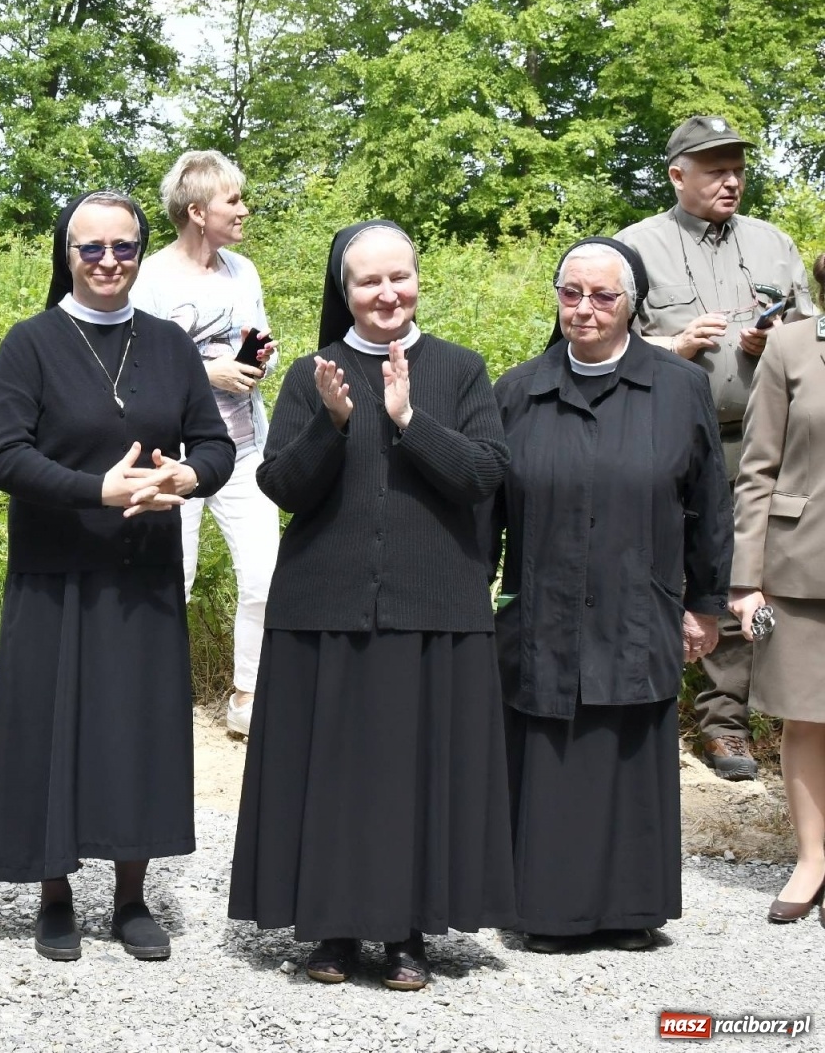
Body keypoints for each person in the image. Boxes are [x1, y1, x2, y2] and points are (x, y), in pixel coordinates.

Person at [229, 221, 515, 991]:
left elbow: (486, 473)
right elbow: (281, 487)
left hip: (433, 611)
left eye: (400, 277)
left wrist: (410, 422)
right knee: (333, 776)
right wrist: (335, 422)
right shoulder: (311, 375)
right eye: (368, 282)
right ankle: (329, 930)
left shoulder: (459, 369)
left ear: (418, 278)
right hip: (325, 609)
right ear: (344, 291)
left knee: (413, 780)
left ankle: (408, 935)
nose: (387, 294)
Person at [0, 190, 235, 963]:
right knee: (54, 730)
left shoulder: (168, 345)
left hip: (142, 571)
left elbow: (215, 446)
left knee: (138, 732)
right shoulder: (31, 343)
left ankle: (130, 896)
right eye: (91, 249)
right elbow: (5, 456)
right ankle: (54, 895)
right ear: (66, 254)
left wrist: (186, 479)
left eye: (123, 248)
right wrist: (98, 488)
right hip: (55, 569)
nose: (108, 263)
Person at [487, 238, 731, 953]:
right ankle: (548, 913)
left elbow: (709, 505)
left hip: (638, 604)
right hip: (542, 612)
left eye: (603, 296)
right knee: (553, 760)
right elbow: (487, 514)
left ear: (633, 305)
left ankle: (630, 911)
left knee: (626, 756)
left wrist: (706, 604)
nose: (585, 309)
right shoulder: (517, 390)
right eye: (571, 294)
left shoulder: (679, 388)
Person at [615, 115, 818, 781]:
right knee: (654, 573)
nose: (731, 181)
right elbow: (589, 341)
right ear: (677, 175)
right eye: (714, 170)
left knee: (735, 582)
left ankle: (724, 725)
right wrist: (669, 346)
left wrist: (772, 339)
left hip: (756, 444)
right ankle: (635, 713)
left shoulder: (773, 244)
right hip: (663, 441)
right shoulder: (634, 249)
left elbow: (812, 335)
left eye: (737, 168)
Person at [130, 150, 280, 738]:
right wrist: (207, 373)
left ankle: (248, 696)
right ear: (197, 211)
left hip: (244, 449)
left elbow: (255, 338)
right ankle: (153, 695)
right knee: (173, 577)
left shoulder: (243, 271)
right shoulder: (150, 279)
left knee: (265, 577)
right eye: (233, 200)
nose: (243, 209)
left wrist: (255, 359)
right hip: (174, 456)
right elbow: (133, 365)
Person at [729, 252, 825, 926]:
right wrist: (745, 579)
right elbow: (758, 468)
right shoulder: (791, 344)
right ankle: (813, 859)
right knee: (806, 716)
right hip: (800, 567)